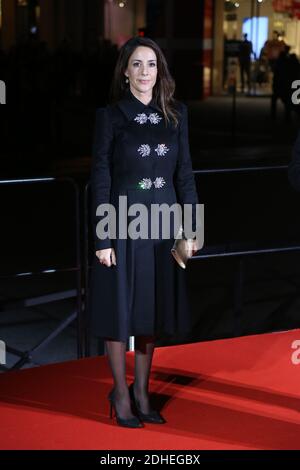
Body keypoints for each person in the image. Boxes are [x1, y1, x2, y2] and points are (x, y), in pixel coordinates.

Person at [87, 36, 199, 428]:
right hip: (121, 221)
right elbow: (100, 174)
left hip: (163, 223)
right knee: (118, 309)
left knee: (150, 312)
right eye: (136, 64)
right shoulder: (111, 116)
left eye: (151, 64)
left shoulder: (177, 115)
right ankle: (119, 392)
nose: (144, 72)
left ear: (160, 71)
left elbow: (185, 174)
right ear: (125, 71)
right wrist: (102, 237)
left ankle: (141, 392)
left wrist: (192, 229)